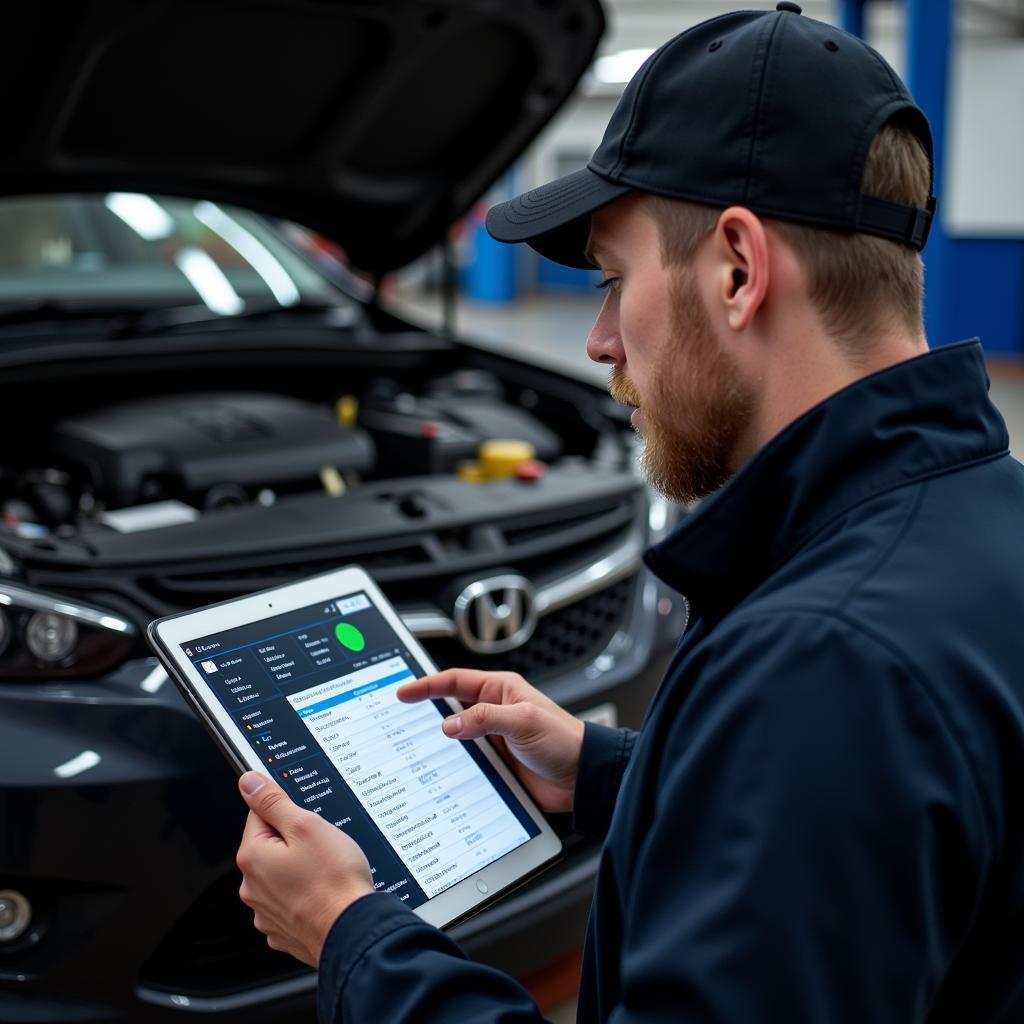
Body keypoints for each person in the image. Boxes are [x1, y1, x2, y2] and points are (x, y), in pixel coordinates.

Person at [233, 4, 1024, 1022]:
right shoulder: (977, 511)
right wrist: (613, 772)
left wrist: (353, 937)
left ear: (738, 269)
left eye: (612, 280)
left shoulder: (821, 663)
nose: (601, 340)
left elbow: (824, 741)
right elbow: (855, 818)